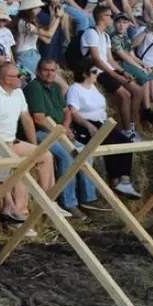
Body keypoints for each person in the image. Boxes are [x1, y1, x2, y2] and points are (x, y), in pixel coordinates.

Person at [0, 63, 56, 229]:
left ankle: (47, 200)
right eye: (18, 76)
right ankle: (19, 212)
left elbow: (26, 119)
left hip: (12, 141)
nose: (22, 78)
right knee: (21, 166)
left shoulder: (18, 92)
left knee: (45, 155)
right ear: (7, 79)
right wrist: (4, 147)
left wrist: (35, 147)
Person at [24, 58, 103, 217]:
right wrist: (61, 132)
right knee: (67, 155)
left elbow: (66, 111)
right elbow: (39, 119)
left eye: (53, 70)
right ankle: (69, 202)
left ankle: (88, 198)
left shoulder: (55, 87)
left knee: (85, 151)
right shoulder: (34, 88)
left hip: (58, 130)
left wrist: (66, 127)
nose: (49, 73)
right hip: (41, 132)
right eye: (46, 70)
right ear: (38, 71)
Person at [66, 57, 139, 198]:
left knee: (126, 143)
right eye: (94, 72)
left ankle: (125, 180)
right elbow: (73, 113)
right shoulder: (75, 89)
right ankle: (115, 181)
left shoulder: (94, 87)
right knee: (110, 145)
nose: (97, 74)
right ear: (84, 74)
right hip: (86, 125)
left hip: (103, 123)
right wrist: (89, 126)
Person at [80, 6, 143, 140]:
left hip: (108, 69)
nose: (112, 18)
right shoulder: (91, 33)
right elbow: (96, 59)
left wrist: (122, 71)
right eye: (109, 15)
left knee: (138, 91)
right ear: (102, 17)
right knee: (125, 95)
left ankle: (131, 125)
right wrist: (116, 76)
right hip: (97, 71)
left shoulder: (106, 36)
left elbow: (110, 59)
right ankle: (127, 131)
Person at [110, 14, 153, 120]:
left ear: (128, 24)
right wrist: (140, 68)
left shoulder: (126, 37)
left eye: (124, 22)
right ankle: (146, 109)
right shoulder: (114, 37)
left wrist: (144, 65)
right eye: (119, 22)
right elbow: (123, 56)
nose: (121, 25)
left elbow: (132, 55)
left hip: (129, 62)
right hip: (121, 63)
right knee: (144, 77)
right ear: (114, 24)